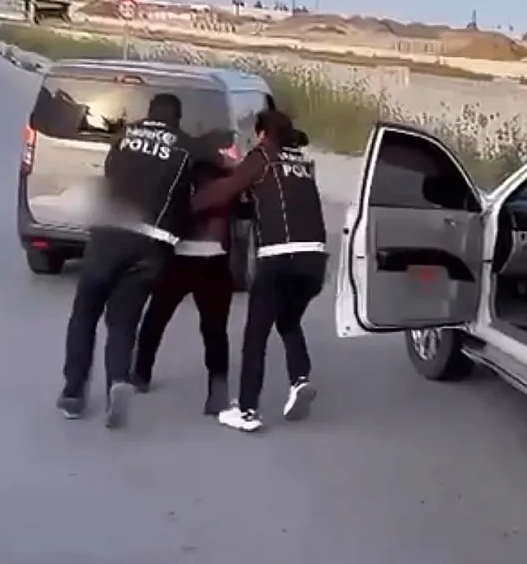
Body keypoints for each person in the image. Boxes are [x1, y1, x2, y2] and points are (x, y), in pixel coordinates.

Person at [56, 92, 221, 429]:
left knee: (85, 312)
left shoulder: (124, 137)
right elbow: (212, 168)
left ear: (149, 113)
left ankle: (73, 394)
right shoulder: (186, 147)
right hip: (153, 245)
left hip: (111, 233)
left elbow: (111, 176)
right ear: (177, 118)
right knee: (123, 321)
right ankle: (118, 379)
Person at [192, 110, 327, 433]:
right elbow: (271, 201)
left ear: (264, 133)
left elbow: (226, 189)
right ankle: (300, 379)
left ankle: (247, 410)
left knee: (255, 335)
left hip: (280, 256)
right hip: (315, 261)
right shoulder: (302, 163)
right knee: (288, 319)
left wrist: (188, 206)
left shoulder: (262, 157)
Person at [130, 134, 241, 415]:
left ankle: (141, 374)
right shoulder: (226, 184)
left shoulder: (179, 182)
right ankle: (217, 391)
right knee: (215, 330)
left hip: (179, 260)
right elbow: (242, 214)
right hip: (215, 261)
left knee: (156, 318)